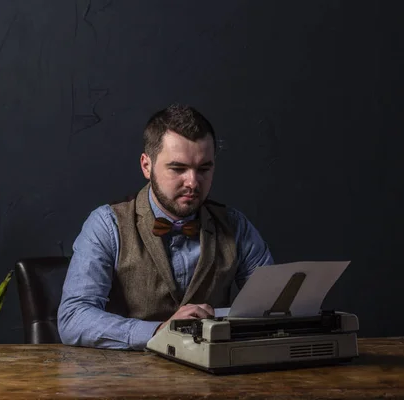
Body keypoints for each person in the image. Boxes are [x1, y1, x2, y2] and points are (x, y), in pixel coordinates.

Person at [57, 103, 274, 350]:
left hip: (215, 378)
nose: (193, 182)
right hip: (125, 378)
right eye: (178, 168)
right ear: (146, 166)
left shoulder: (235, 226)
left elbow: (273, 307)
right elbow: (73, 318)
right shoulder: (107, 225)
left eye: (204, 169)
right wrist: (158, 331)